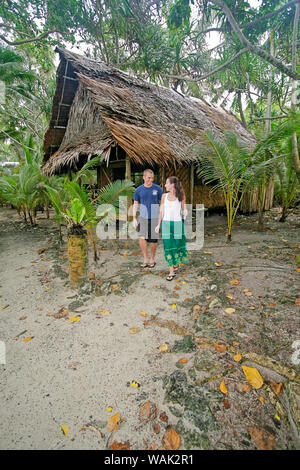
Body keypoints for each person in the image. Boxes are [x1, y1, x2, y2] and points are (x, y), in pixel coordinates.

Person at [155, 176, 188, 280]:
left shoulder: (181, 196)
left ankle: (176, 263)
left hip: (178, 224)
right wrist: (158, 224)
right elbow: (161, 211)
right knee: (168, 246)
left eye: (166, 183)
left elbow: (184, 211)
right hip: (166, 224)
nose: (165, 185)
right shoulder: (164, 196)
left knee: (177, 245)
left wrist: (185, 212)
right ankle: (171, 272)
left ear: (172, 185)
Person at [133, 169, 163, 268]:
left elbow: (162, 203)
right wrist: (134, 218)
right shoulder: (139, 190)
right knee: (141, 238)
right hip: (143, 218)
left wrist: (161, 217)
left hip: (154, 218)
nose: (151, 180)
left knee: (153, 240)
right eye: (149, 178)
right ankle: (145, 258)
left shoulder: (158, 189)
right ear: (144, 177)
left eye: (152, 178)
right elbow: (135, 204)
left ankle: (152, 259)